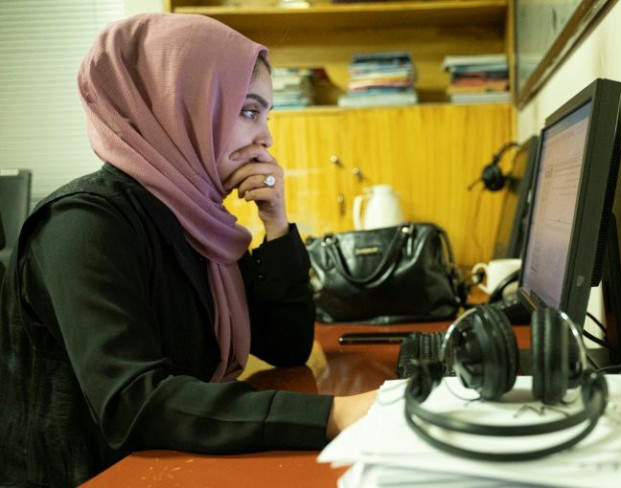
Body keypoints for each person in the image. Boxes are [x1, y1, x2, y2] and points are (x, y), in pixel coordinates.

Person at [0, 13, 375, 487]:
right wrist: (333, 415)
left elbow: (285, 347)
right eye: (248, 111)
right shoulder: (83, 225)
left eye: (266, 115)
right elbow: (135, 402)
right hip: (91, 475)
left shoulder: (201, 219)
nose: (267, 137)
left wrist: (276, 226)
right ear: (182, 105)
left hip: (170, 463)